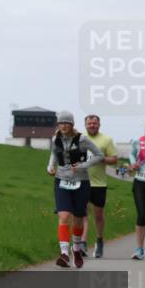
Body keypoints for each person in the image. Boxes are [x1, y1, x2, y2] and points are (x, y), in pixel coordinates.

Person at [46, 110, 104, 268]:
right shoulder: (55, 139)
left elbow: (99, 155)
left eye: (66, 123)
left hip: (81, 182)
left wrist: (83, 166)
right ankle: (64, 254)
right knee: (64, 216)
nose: (63, 126)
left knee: (78, 219)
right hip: (61, 180)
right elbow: (53, 154)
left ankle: (76, 249)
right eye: (61, 123)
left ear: (72, 125)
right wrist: (50, 167)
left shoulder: (82, 139)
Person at [79, 114, 118, 258]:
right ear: (85, 125)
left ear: (99, 125)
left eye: (95, 123)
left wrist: (101, 159)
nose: (92, 125)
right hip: (82, 181)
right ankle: (82, 243)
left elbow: (114, 159)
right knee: (82, 213)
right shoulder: (80, 138)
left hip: (99, 183)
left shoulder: (106, 140)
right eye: (89, 123)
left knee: (98, 215)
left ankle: (99, 240)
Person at [129, 119, 145, 260]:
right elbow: (131, 154)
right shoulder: (138, 141)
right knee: (141, 214)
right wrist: (133, 163)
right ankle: (139, 249)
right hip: (140, 182)